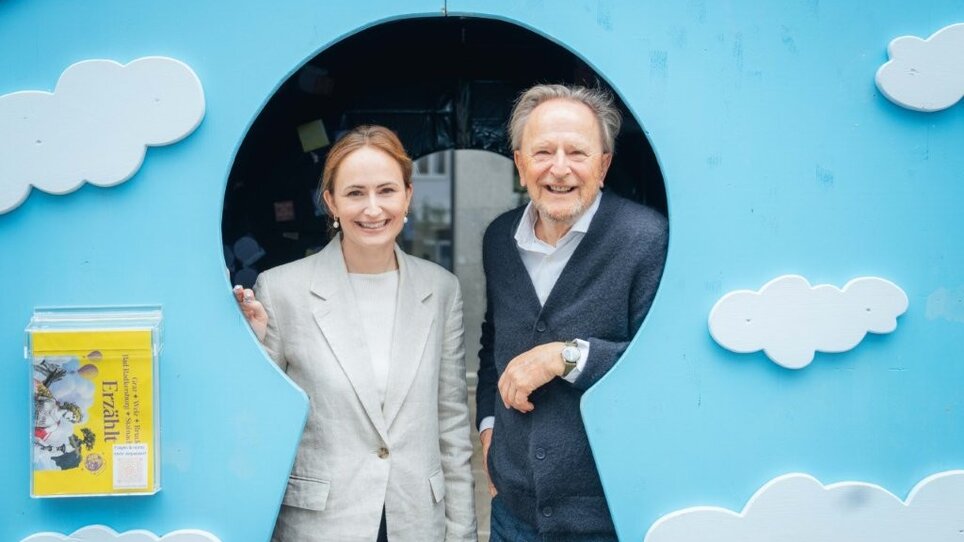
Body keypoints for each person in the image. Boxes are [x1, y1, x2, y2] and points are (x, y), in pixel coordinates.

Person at [235, 125, 477, 542]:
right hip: (320, 524)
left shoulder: (440, 289)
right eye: (355, 193)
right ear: (330, 201)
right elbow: (257, 419)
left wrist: (463, 532)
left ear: (408, 196)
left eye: (386, 191)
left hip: (418, 520)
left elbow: (451, 422)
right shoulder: (280, 289)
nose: (372, 209)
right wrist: (252, 347)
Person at [476, 84, 668, 540]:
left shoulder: (646, 239)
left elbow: (665, 367)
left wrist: (565, 357)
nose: (559, 168)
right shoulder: (498, 238)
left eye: (577, 153)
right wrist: (488, 430)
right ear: (520, 164)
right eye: (543, 151)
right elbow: (492, 344)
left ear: (603, 165)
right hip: (513, 514)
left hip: (607, 516)